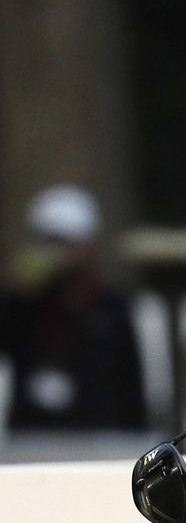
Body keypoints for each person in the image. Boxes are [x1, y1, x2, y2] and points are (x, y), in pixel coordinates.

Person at [0, 184, 146, 430]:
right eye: (48, 242)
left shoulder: (111, 306)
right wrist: (18, 296)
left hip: (100, 434)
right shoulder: (21, 305)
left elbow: (130, 383)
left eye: (65, 242)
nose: (56, 253)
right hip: (32, 434)